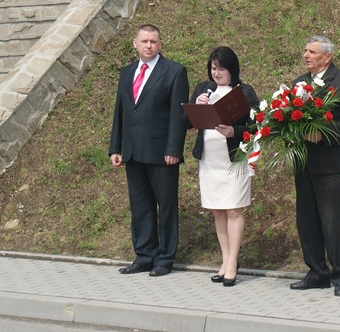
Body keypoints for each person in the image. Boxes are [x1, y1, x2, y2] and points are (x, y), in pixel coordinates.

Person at [109, 24, 189, 277]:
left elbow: (178, 115)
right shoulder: (127, 73)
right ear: (135, 44)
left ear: (160, 44)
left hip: (162, 153)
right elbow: (121, 112)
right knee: (140, 206)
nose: (149, 45)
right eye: (144, 41)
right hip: (133, 151)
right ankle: (145, 256)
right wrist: (115, 147)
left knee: (166, 207)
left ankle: (164, 259)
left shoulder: (174, 71)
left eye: (153, 41)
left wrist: (174, 148)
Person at [289, 35, 340, 297]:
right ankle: (317, 272)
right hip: (304, 163)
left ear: (327, 56)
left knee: (333, 222)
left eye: (312, 52)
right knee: (306, 220)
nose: (306, 55)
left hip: (331, 164)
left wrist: (323, 133)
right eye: (305, 51)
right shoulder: (299, 83)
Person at [190, 46, 259, 287]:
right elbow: (186, 120)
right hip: (210, 160)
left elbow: (257, 126)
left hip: (234, 159)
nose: (216, 73)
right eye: (213, 68)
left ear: (232, 69)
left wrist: (234, 131)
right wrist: (197, 104)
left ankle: (232, 262)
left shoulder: (245, 92)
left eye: (221, 69)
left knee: (233, 211)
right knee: (218, 210)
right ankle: (225, 259)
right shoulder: (203, 89)